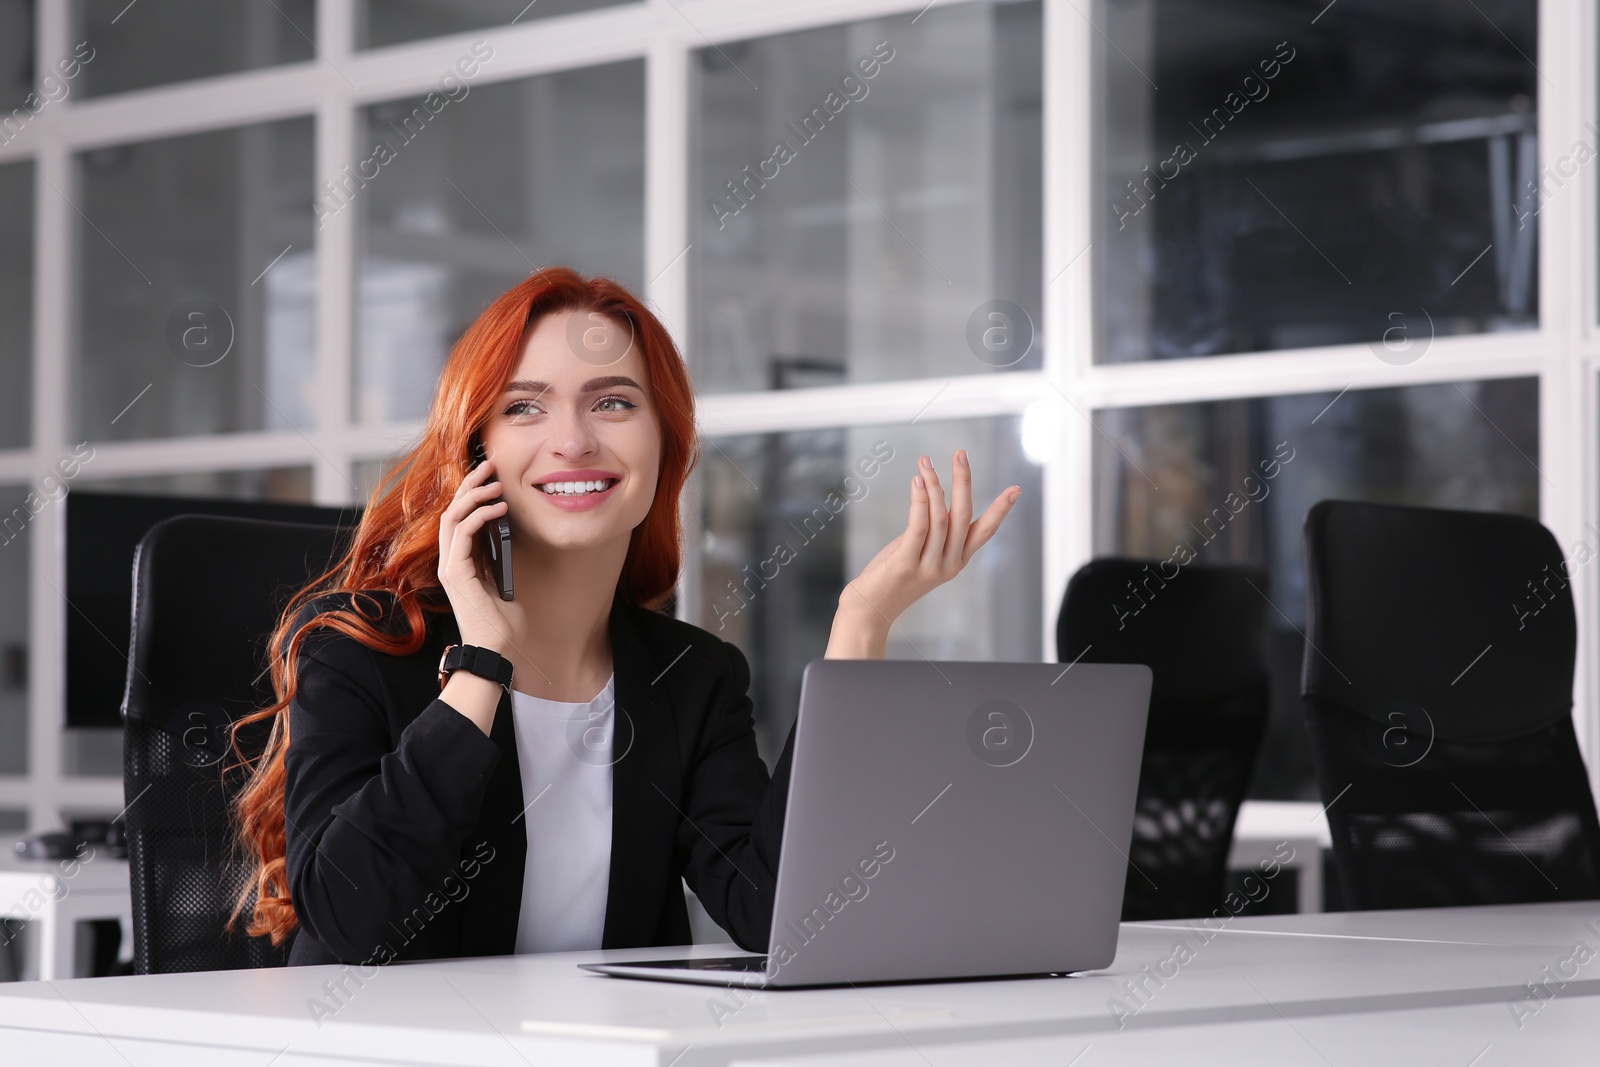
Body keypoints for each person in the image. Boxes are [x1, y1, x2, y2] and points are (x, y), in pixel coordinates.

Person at [230, 267, 1021, 966]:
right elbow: (353, 920)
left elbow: (781, 913)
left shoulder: (693, 678)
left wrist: (858, 628)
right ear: (476, 456)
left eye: (612, 402)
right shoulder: (361, 646)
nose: (573, 440)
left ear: (665, 444)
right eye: (525, 408)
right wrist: (480, 665)